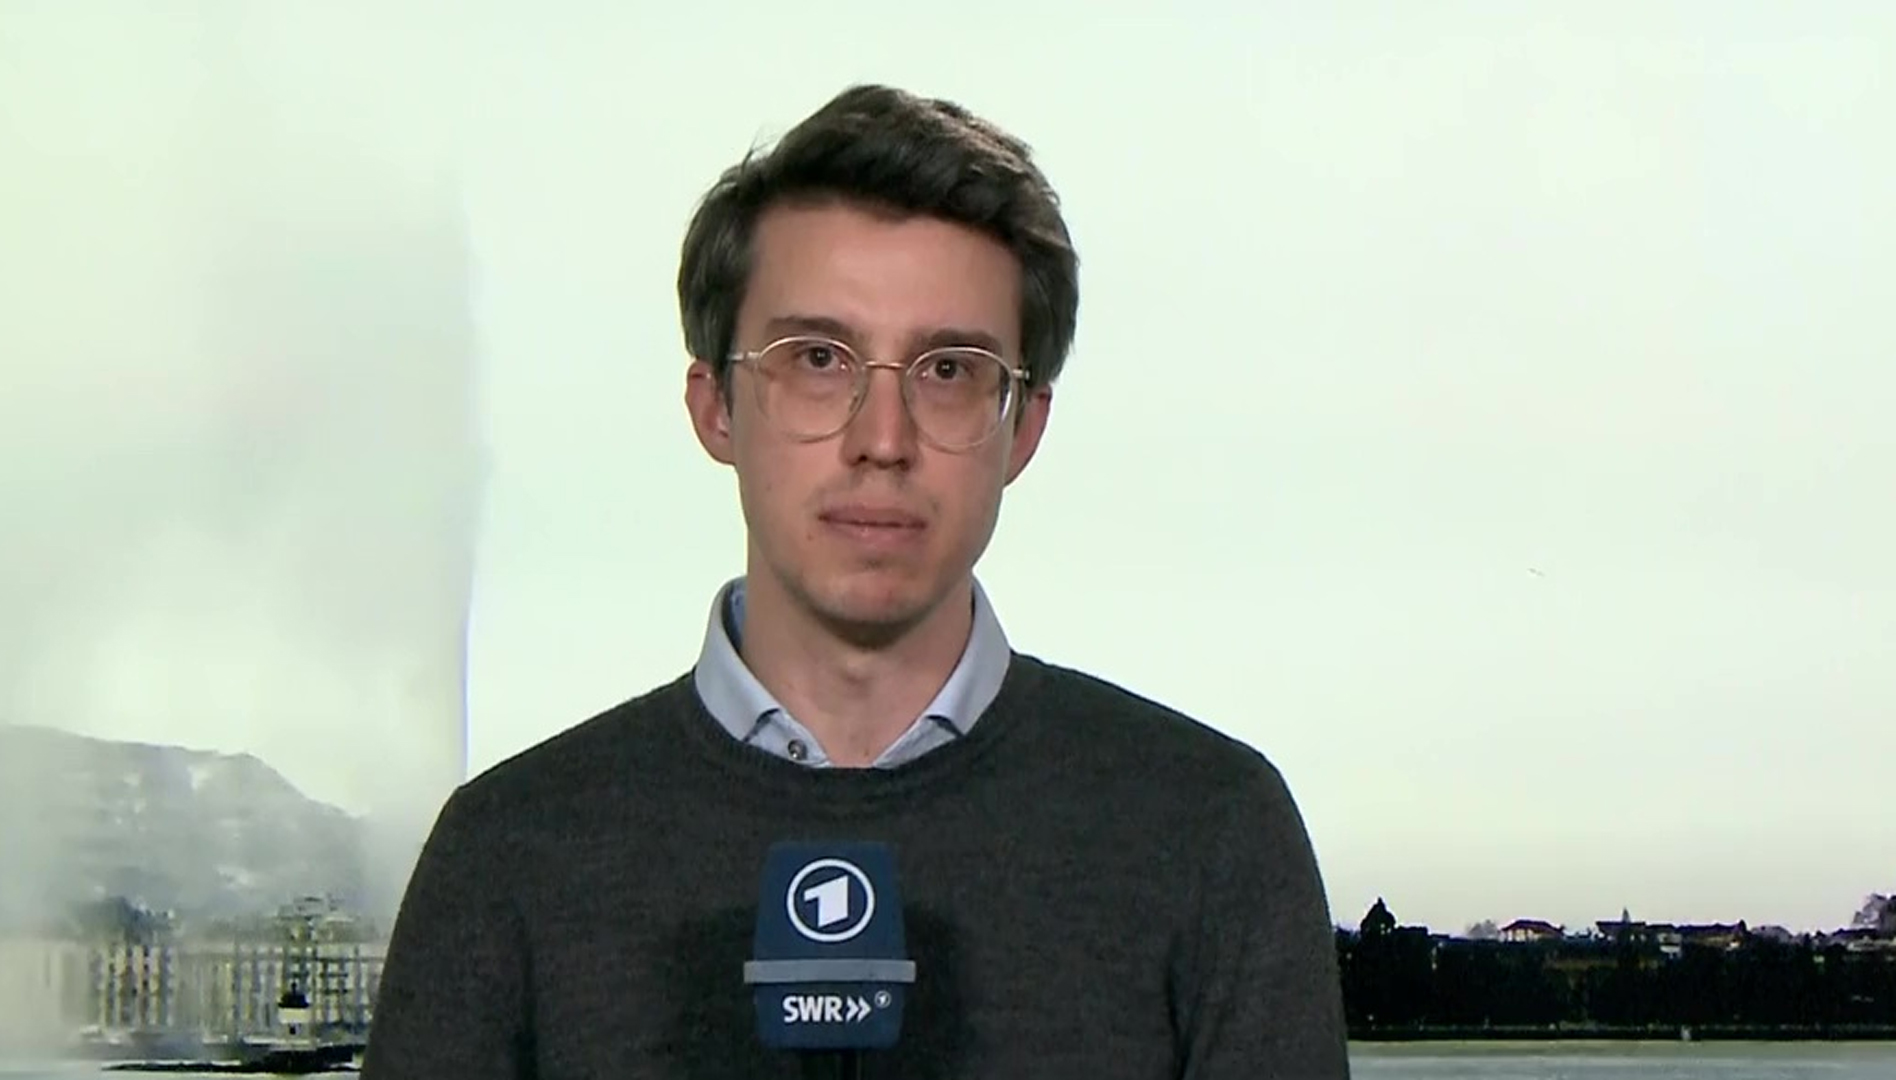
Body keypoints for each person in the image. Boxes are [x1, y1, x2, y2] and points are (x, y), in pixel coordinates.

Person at [361, 83, 1350, 1079]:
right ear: (715, 407)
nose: (883, 440)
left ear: (1024, 429)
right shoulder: (508, 854)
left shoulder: (1213, 833)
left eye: (950, 370)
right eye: (819, 359)